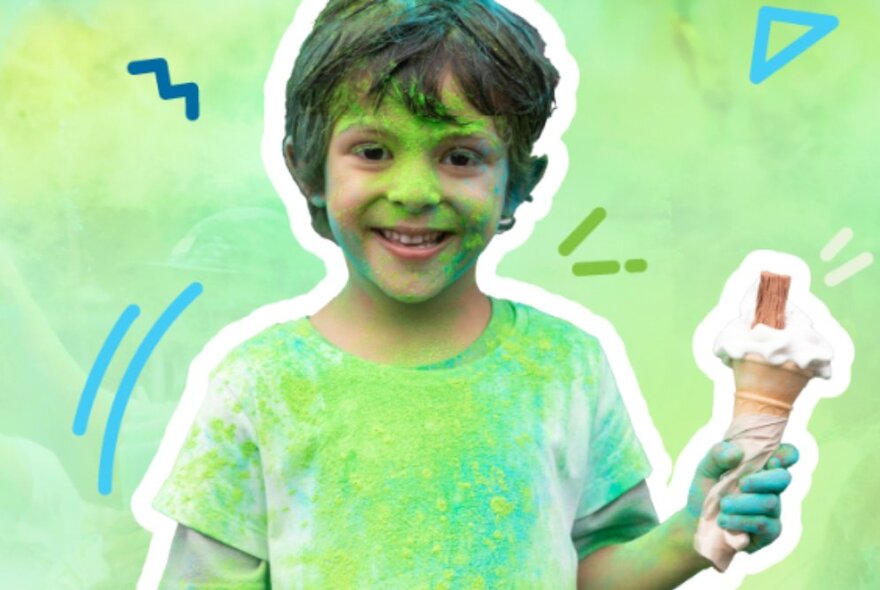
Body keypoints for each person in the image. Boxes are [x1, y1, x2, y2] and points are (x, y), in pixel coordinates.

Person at [149, 1, 798, 588]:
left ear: (518, 182)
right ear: (307, 165)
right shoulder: (260, 384)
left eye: (460, 157)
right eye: (372, 151)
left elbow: (594, 568)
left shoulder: (566, 366)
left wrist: (690, 534)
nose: (413, 190)